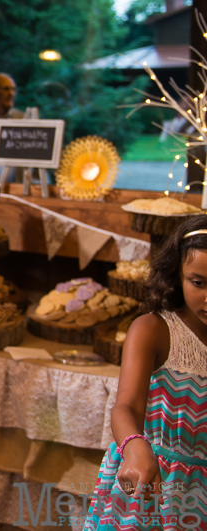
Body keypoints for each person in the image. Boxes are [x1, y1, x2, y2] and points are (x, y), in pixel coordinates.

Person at [84, 216, 207, 530]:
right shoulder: (154, 330)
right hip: (151, 479)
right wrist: (136, 447)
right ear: (177, 275)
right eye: (198, 282)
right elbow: (126, 407)